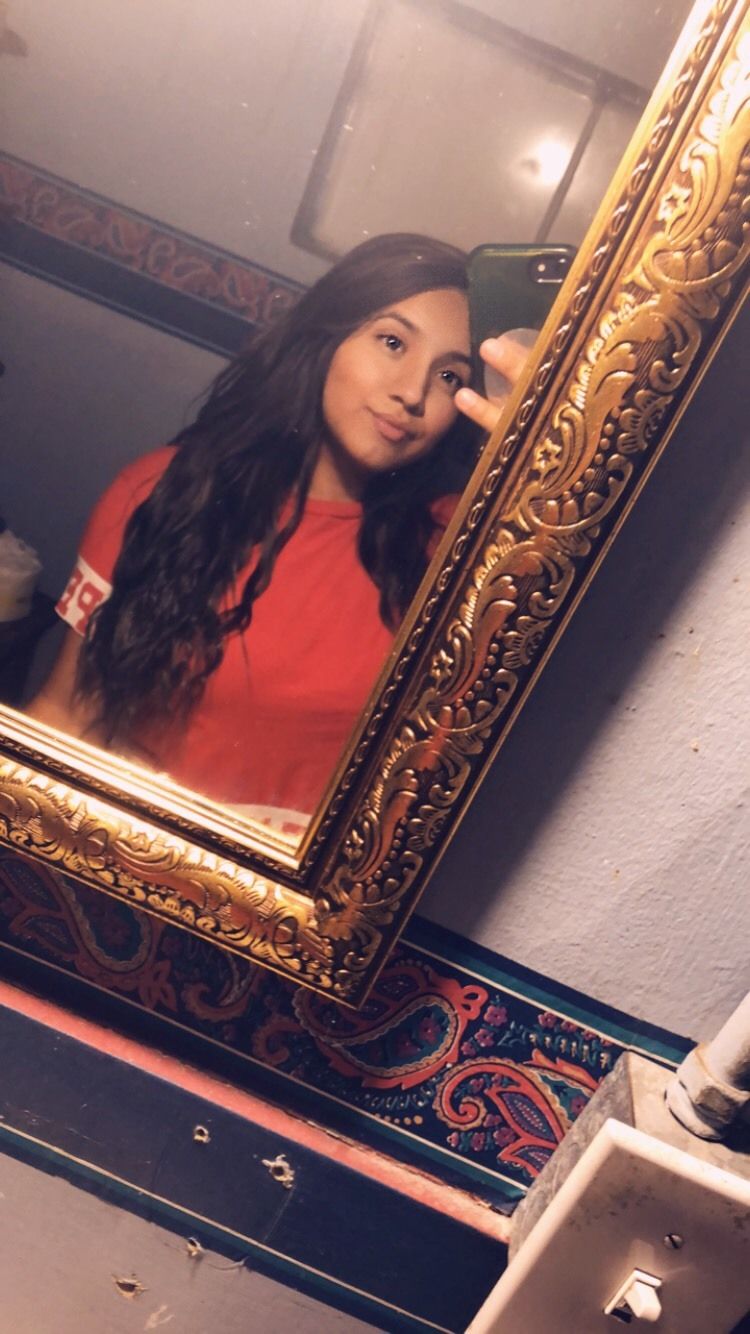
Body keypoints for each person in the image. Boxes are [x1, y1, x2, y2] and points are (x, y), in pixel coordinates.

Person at [29, 233, 525, 828]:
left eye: (449, 376)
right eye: (392, 342)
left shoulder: (459, 551)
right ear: (327, 335)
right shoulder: (164, 493)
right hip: (121, 854)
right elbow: (66, 716)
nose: (412, 393)